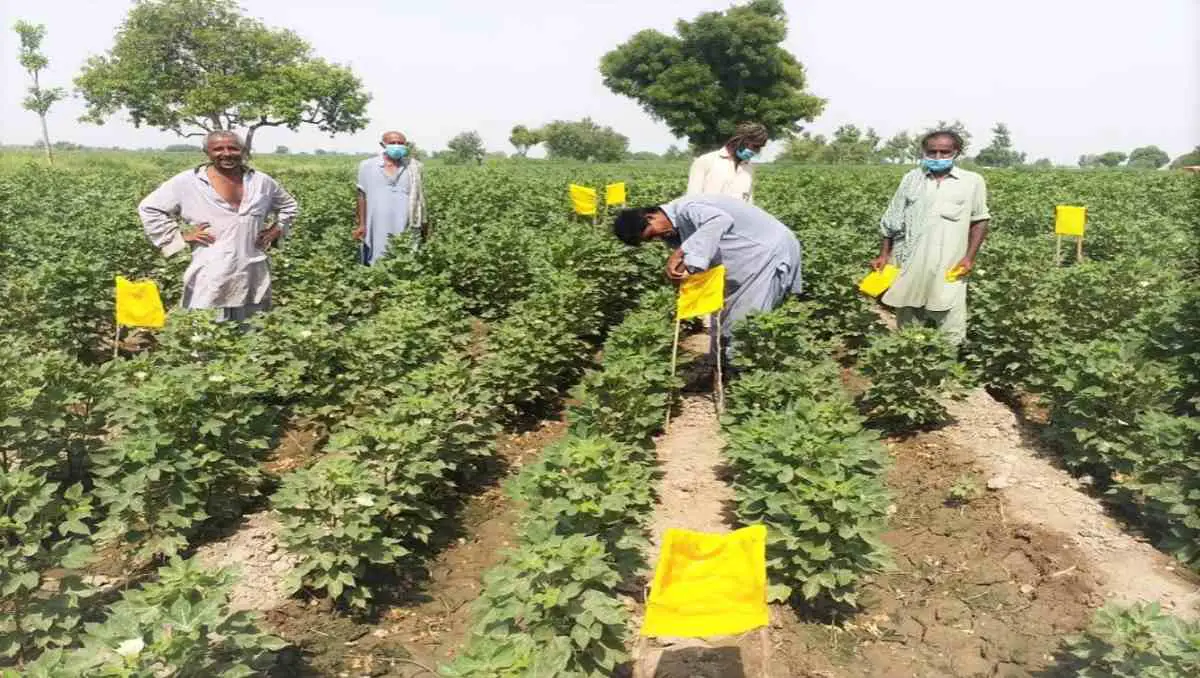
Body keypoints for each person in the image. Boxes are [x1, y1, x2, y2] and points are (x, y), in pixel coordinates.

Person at [613, 195, 802, 367]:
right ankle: (722, 367)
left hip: (767, 252)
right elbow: (699, 248)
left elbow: (720, 220)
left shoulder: (688, 208)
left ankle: (743, 377)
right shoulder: (675, 225)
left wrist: (681, 253)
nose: (658, 239)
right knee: (724, 314)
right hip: (749, 259)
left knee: (746, 318)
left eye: (653, 234)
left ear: (650, 217)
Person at [138, 130, 299, 323]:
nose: (227, 153)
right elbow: (150, 208)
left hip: (252, 267)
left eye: (233, 148)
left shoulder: (261, 182)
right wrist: (180, 236)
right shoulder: (188, 182)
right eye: (218, 149)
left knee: (252, 329)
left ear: (243, 150)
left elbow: (289, 206)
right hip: (210, 269)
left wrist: (277, 229)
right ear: (207, 152)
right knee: (205, 329)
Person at [871, 129, 990, 346]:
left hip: (950, 263)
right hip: (909, 261)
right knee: (907, 313)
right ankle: (910, 360)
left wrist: (969, 258)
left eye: (944, 152)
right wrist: (884, 253)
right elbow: (892, 219)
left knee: (950, 315)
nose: (937, 157)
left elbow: (980, 221)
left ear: (956, 152)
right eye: (932, 152)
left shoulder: (972, 181)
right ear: (923, 152)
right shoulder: (911, 179)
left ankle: (944, 368)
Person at [354, 130, 427, 264]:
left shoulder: (414, 167)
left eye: (400, 143)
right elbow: (361, 195)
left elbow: (420, 199)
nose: (397, 145)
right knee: (377, 253)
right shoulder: (367, 166)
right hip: (376, 221)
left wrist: (424, 225)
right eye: (392, 143)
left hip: (405, 220)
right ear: (383, 144)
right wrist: (362, 224)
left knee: (405, 254)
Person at [685, 122, 769, 203]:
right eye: (748, 144)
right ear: (737, 140)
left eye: (757, 147)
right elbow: (692, 199)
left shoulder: (749, 168)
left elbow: (748, 201)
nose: (752, 150)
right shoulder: (706, 161)